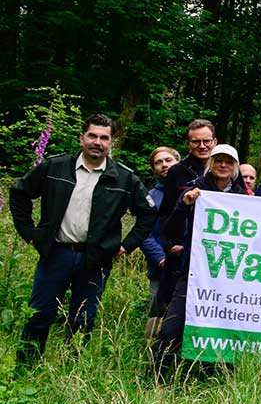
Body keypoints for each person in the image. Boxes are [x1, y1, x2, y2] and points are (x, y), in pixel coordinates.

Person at [8, 114, 157, 362]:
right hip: (56, 253)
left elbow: (148, 214)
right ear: (82, 138)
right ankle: (26, 368)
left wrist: (126, 245)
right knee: (39, 314)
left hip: (96, 258)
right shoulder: (55, 167)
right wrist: (30, 233)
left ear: (111, 143)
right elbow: (19, 192)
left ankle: (72, 371)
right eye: (92, 136)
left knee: (82, 319)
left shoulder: (124, 178)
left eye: (104, 137)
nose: (97, 142)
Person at [151, 144, 246, 376]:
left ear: (235, 167)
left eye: (228, 162)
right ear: (211, 164)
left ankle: (214, 377)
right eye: (218, 160)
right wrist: (185, 205)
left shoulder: (244, 197)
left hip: (229, 274)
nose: (223, 165)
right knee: (173, 326)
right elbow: (168, 229)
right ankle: (157, 376)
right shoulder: (195, 191)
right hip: (193, 271)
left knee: (223, 326)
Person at [158, 119, 247, 313]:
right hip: (184, 253)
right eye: (196, 142)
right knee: (173, 309)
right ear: (188, 144)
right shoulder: (177, 171)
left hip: (221, 257)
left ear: (214, 141)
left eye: (206, 141)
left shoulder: (233, 176)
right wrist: (169, 244)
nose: (202, 146)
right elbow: (166, 212)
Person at [142, 145, 179, 331]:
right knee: (157, 314)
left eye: (168, 160)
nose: (164, 165)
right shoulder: (150, 197)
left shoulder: (193, 191)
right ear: (154, 168)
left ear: (178, 162)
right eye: (159, 162)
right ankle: (151, 355)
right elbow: (144, 233)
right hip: (160, 268)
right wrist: (161, 258)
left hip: (187, 267)